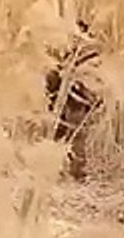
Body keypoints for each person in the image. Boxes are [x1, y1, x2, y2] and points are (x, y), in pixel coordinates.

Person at [44, 19, 103, 181]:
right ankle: (59, 170)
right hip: (67, 102)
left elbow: (95, 82)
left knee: (75, 137)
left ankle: (76, 173)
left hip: (77, 102)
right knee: (63, 135)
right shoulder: (87, 53)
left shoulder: (86, 54)